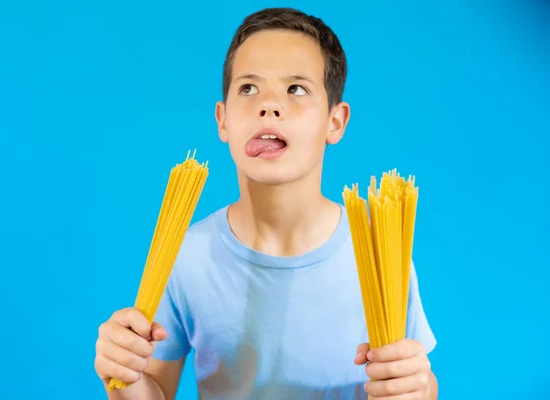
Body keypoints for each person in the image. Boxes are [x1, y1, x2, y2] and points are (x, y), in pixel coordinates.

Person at [94, 7, 438, 400]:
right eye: (248, 88)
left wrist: (420, 387)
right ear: (222, 120)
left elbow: (415, 381)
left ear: (335, 122)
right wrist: (124, 374)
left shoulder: (378, 254)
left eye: (296, 89)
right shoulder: (186, 253)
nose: (268, 106)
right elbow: (153, 391)